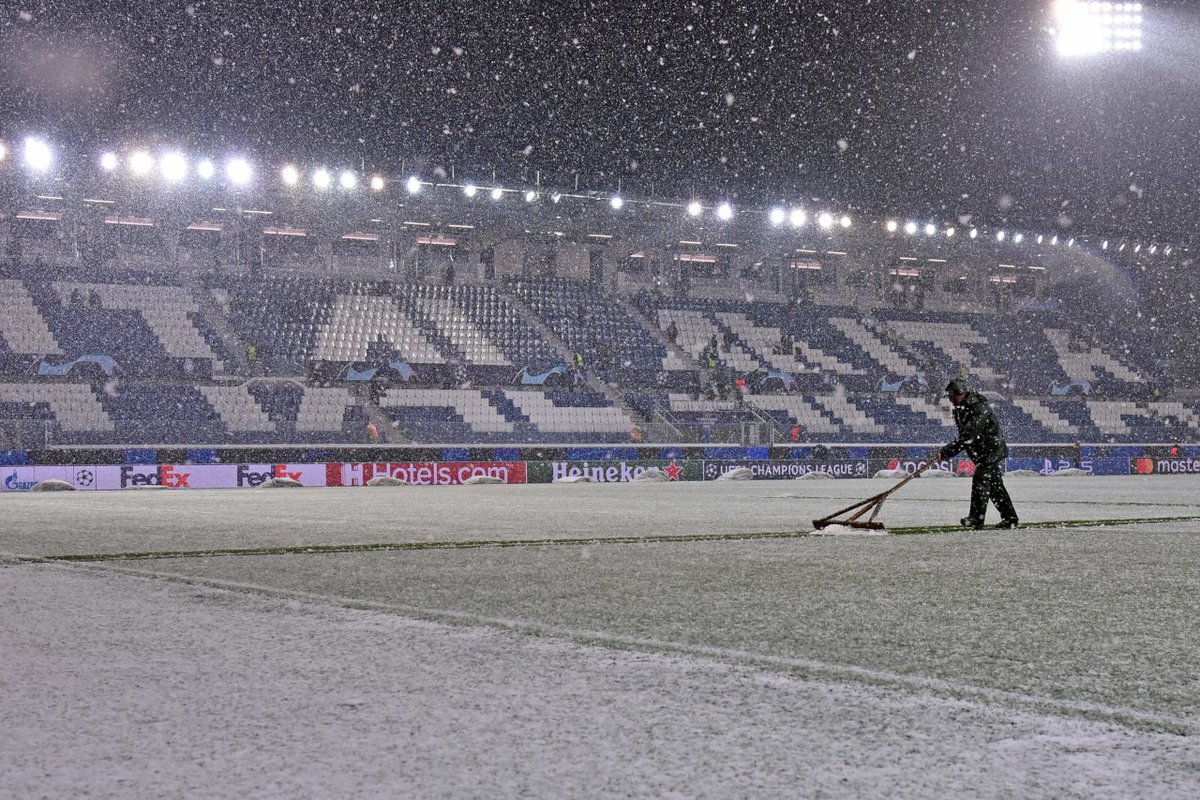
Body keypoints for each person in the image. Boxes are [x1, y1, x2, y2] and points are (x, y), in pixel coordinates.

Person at [934, 379, 1018, 530]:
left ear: (959, 394)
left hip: (991, 450)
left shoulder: (979, 408)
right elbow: (965, 436)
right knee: (995, 486)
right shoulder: (962, 409)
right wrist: (948, 451)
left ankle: (976, 518)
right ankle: (1010, 518)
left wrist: (946, 452)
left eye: (952, 397)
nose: (951, 400)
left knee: (980, 478)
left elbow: (968, 436)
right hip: (983, 451)